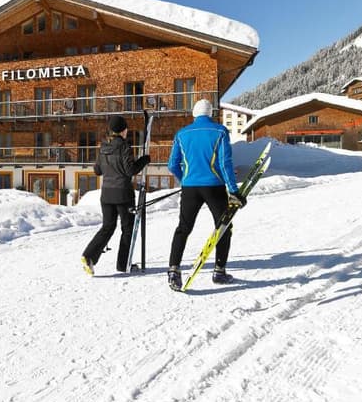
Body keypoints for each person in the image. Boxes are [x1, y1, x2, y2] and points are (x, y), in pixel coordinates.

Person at [166, 99, 247, 290]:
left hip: (190, 188)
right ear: (211, 113)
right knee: (223, 227)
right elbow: (225, 163)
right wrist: (234, 191)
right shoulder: (220, 131)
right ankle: (219, 271)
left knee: (183, 228)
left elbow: (172, 165)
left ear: (194, 114)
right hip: (214, 187)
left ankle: (174, 270)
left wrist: (185, 179)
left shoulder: (182, 133)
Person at [81, 115, 150, 275]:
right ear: (123, 130)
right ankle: (123, 264)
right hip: (123, 194)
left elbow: (97, 170)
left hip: (106, 194)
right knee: (127, 228)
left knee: (107, 227)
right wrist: (144, 160)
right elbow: (130, 170)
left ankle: (89, 255)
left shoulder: (104, 146)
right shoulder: (124, 146)